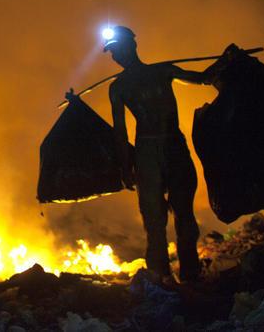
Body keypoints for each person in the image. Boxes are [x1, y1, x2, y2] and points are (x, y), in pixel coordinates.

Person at [67, 26, 220, 284]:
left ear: (133, 47)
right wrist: (126, 167)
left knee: (184, 212)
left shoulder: (163, 71)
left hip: (173, 146)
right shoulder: (120, 87)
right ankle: (160, 277)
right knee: (153, 220)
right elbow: (119, 130)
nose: (116, 56)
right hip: (147, 152)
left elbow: (204, 78)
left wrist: (228, 61)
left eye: (119, 49)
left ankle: (190, 273)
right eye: (113, 53)